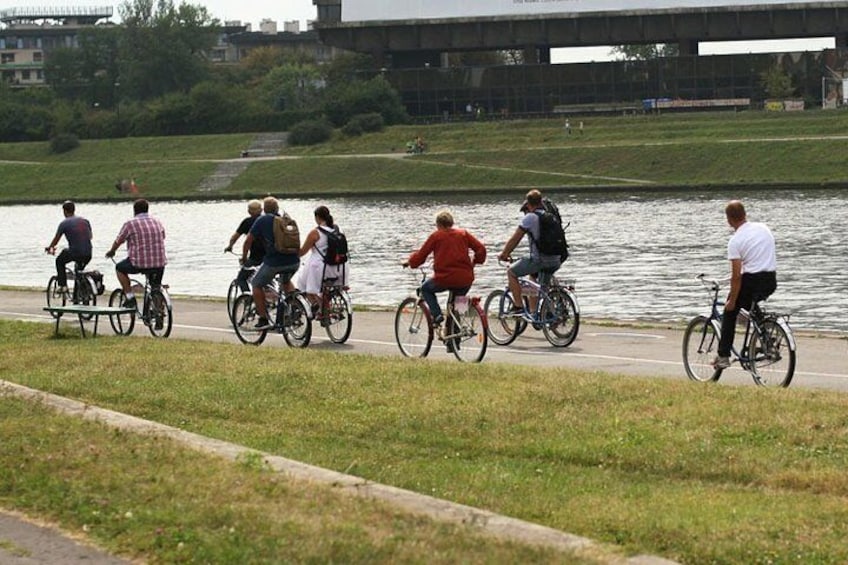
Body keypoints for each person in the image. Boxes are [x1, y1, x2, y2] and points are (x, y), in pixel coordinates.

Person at [713, 200, 777, 369]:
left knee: (730, 312)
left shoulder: (735, 241)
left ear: (729, 220)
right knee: (751, 304)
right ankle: (765, 337)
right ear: (744, 214)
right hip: (770, 280)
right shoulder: (763, 228)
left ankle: (723, 356)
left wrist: (732, 301)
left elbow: (736, 276)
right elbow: (756, 258)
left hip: (751, 281)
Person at [403, 210, 486, 331]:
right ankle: (456, 335)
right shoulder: (463, 234)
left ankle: (437, 315)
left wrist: (410, 262)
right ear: (451, 223)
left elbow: (421, 255)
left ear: (438, 224)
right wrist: (475, 262)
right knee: (458, 301)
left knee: (425, 289)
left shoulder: (436, 236)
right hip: (466, 278)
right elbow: (481, 249)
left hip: (445, 278)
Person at [497, 189, 563, 316]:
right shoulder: (550, 216)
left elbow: (515, 239)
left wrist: (504, 254)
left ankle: (518, 306)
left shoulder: (530, 217)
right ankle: (544, 313)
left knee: (511, 272)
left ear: (528, 204)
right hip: (556, 259)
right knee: (541, 286)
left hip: (539, 260)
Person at [243, 196, 300, 330]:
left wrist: (245, 258)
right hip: (293, 261)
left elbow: (248, 241)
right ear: (277, 208)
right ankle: (295, 306)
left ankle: (263, 319)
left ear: (265, 209)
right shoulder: (286, 219)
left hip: (274, 262)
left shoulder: (263, 220)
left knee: (256, 284)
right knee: (285, 282)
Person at [105, 198, 167, 309]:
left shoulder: (130, 223)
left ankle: (130, 297)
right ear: (147, 209)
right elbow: (163, 237)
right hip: (159, 263)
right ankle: (159, 314)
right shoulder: (157, 221)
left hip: (139, 263)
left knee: (119, 268)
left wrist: (112, 251)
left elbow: (119, 240)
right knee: (155, 287)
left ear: (134, 210)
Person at [297, 206, 347, 315]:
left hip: (320, 268)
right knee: (327, 288)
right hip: (340, 267)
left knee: (304, 286)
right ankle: (325, 308)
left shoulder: (315, 233)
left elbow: (302, 252)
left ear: (317, 217)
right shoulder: (338, 229)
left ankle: (320, 308)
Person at [45, 201, 93, 292]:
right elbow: (90, 237)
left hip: (75, 252)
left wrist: (50, 247)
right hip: (88, 253)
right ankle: (79, 295)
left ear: (65, 211)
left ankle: (63, 286)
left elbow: (56, 239)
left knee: (59, 261)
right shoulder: (85, 221)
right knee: (79, 272)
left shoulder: (64, 223)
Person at [226, 199, 264, 292]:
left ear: (249, 211)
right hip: (271, 257)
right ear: (261, 209)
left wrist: (230, 246)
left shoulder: (247, 222)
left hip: (256, 257)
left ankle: (247, 300)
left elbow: (234, 237)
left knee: (241, 279)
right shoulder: (268, 220)